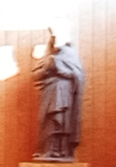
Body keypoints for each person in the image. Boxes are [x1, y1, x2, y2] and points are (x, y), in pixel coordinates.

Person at [33, 31, 84, 160]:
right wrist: (47, 68)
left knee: (61, 120)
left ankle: (60, 150)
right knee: (46, 120)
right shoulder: (47, 56)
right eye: (54, 39)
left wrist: (58, 66)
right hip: (49, 91)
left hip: (64, 91)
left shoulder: (70, 54)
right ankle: (47, 149)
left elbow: (77, 75)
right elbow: (36, 76)